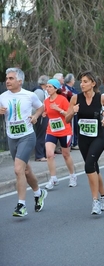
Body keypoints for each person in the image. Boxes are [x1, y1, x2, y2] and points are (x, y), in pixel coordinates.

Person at [0, 67, 47, 217]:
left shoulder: (29, 95)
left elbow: (41, 107)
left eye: (11, 78)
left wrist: (35, 117)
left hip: (27, 136)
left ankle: (21, 205)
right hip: (12, 137)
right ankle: (39, 193)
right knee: (25, 170)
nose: (7, 81)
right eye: (7, 78)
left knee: (18, 169)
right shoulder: (2, 96)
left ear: (20, 81)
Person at [65, 70, 104, 215]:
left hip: (98, 137)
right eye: (81, 81)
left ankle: (95, 201)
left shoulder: (101, 98)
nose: (82, 84)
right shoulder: (75, 98)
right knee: (93, 167)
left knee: (88, 166)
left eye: (85, 81)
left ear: (93, 83)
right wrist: (73, 111)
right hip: (83, 138)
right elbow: (67, 119)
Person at [43, 79, 78, 189]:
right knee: (49, 154)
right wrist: (44, 113)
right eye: (47, 86)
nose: (47, 88)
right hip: (51, 131)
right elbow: (47, 112)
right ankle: (53, 178)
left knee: (66, 155)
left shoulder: (62, 99)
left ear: (56, 88)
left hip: (64, 131)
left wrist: (59, 109)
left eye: (49, 86)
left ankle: (72, 176)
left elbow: (69, 113)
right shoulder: (46, 101)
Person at [32, 75, 49, 162]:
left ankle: (43, 154)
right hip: (40, 116)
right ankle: (39, 156)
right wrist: (37, 115)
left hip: (43, 115)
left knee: (43, 135)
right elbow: (36, 106)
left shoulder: (42, 91)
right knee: (40, 136)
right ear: (45, 83)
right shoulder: (39, 91)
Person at [64, 73, 80, 150]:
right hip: (71, 110)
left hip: (76, 110)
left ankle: (74, 141)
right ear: (70, 80)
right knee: (72, 127)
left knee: (75, 126)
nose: (74, 81)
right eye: (73, 79)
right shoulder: (65, 89)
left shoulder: (72, 89)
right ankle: (72, 143)